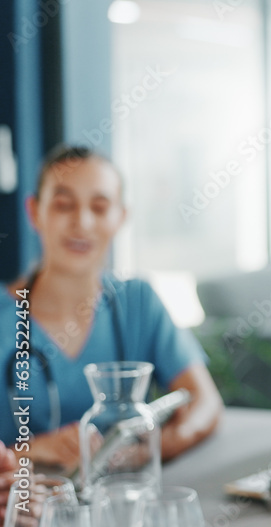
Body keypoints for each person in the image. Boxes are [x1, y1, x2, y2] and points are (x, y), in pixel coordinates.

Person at [0, 145, 223, 469]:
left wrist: (152, 447)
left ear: (121, 217)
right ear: (35, 211)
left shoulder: (137, 303)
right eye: (63, 205)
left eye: (100, 207)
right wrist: (30, 449)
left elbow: (204, 402)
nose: (82, 222)